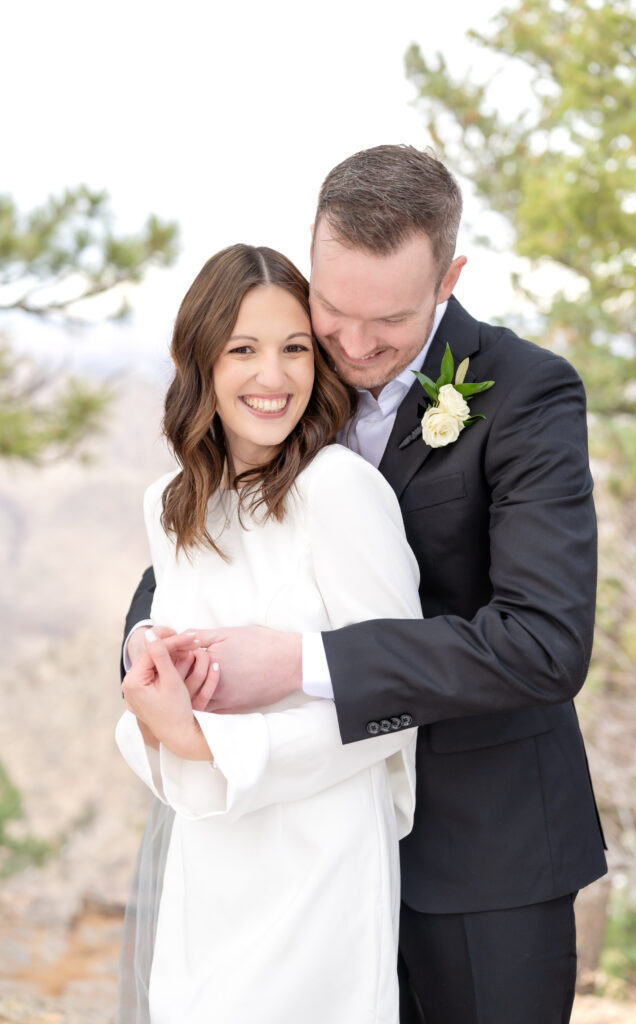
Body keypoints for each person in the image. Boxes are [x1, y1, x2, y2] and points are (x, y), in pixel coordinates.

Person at [124, 146, 608, 1024]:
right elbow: (201, 545)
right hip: (305, 848)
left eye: (385, 322)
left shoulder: (529, 395)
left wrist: (302, 662)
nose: (351, 345)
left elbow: (544, 645)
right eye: (332, 310)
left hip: (482, 853)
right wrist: (148, 652)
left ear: (448, 276)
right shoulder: (294, 382)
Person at [116, 243, 423, 1023]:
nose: (273, 376)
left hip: (321, 862)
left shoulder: (341, 492)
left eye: (293, 349)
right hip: (211, 859)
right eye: (242, 350)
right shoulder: (169, 505)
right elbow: (177, 686)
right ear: (201, 364)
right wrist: (154, 670)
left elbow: (400, 694)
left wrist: (209, 746)